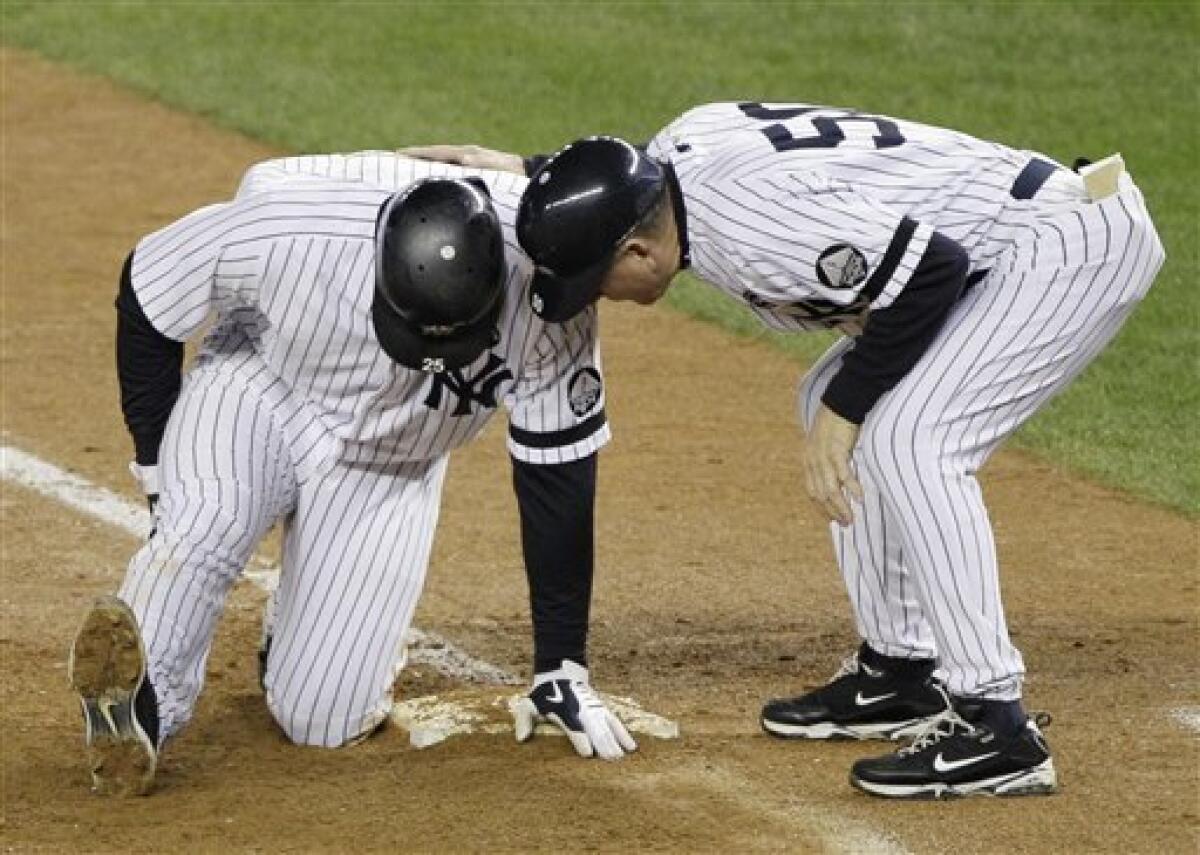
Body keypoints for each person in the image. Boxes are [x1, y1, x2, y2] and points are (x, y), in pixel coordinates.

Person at [402, 101, 1166, 799]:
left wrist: (844, 411)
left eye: (595, 283)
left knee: (909, 438)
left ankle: (996, 722)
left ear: (638, 253)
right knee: (840, 405)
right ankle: (901, 670)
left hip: (1065, 248)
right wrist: (535, 173)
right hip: (1011, 241)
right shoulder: (672, 168)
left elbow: (931, 274)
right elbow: (627, 170)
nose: (597, 300)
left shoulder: (748, 233)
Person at [68, 154, 639, 797]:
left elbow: (556, 479)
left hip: (391, 464)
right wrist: (157, 468)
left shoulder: (548, 300)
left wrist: (560, 664)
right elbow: (149, 287)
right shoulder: (294, 232)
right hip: (260, 390)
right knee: (200, 531)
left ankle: (292, 618)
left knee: (324, 719)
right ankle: (143, 712)